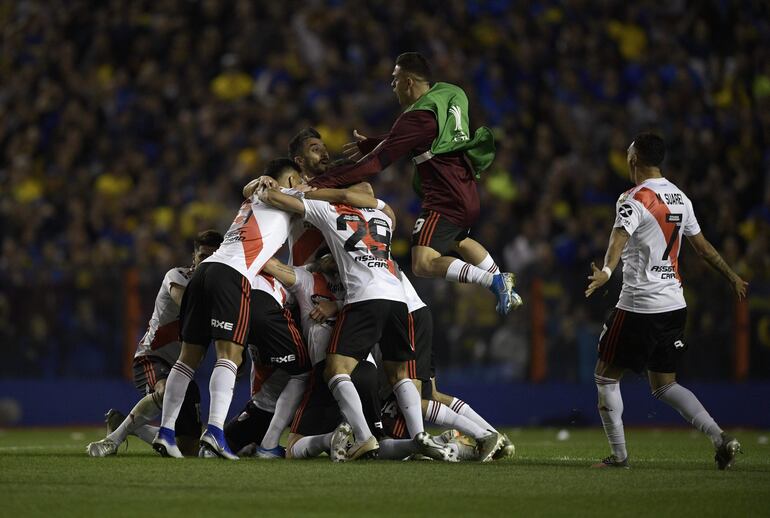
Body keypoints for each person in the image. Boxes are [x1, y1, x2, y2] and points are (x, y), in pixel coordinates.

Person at [307, 52, 521, 315]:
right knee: (459, 240)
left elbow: (374, 165)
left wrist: (319, 182)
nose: (392, 85)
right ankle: (504, 283)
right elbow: (421, 134)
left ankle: (494, 281)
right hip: (466, 189)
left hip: (444, 197)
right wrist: (376, 142)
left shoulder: (415, 118)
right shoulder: (449, 94)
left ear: (408, 82)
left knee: (422, 262)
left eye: (395, 79)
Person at [585, 133, 748, 470]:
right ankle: (720, 438)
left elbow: (619, 237)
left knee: (605, 377)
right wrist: (731, 275)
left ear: (634, 159)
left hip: (638, 304)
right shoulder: (680, 197)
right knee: (665, 385)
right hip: (674, 304)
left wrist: (606, 270)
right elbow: (702, 248)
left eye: (628, 149)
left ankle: (619, 458)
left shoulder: (633, 198)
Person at [258, 184, 453, 461]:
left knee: (335, 370)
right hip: (397, 299)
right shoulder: (384, 213)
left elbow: (284, 202)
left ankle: (362, 437)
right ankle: (417, 437)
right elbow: (362, 198)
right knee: (400, 375)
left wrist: (271, 189)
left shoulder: (327, 213)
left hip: (364, 300)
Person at [152, 158, 302, 459]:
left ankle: (166, 433)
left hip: (205, 271)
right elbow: (318, 198)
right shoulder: (289, 196)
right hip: (233, 274)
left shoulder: (254, 195)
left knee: (187, 358)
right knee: (229, 355)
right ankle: (216, 433)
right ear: (287, 181)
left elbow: (249, 187)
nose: (302, 184)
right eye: (297, 179)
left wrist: (258, 180)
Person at [86, 230, 223, 457]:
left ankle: (131, 426)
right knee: (166, 388)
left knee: (188, 449)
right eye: (202, 257)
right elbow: (185, 305)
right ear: (194, 257)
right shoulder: (177, 276)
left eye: (212, 258)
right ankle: (112, 440)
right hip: (152, 357)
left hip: (184, 370)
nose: (206, 262)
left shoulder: (218, 293)